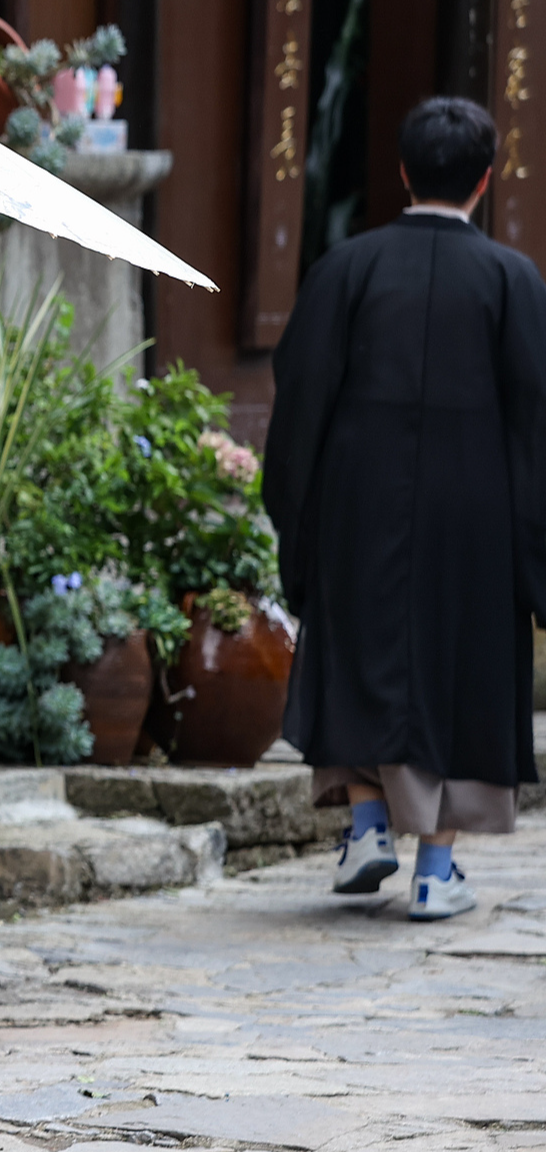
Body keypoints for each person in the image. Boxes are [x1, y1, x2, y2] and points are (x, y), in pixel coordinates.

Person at [265, 96, 546, 921]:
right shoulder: (512, 279)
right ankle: (435, 872)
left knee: (358, 643)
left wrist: (300, 508)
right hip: (477, 512)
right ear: (485, 181)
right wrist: (533, 546)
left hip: (359, 496)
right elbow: (536, 418)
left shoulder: (345, 269)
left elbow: (302, 398)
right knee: (462, 664)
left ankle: (365, 824)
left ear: (400, 172)